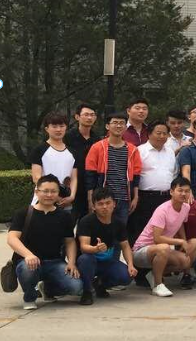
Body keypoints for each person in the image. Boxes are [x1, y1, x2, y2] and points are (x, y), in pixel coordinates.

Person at [7, 174, 83, 310]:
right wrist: (28, 255)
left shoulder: (64, 216)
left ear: (58, 193)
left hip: (55, 262)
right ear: (37, 192)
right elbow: (12, 238)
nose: (49, 195)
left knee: (76, 287)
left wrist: (71, 262)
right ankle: (29, 297)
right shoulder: (24, 213)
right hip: (28, 262)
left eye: (53, 191)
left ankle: (48, 289)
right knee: (28, 268)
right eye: (45, 191)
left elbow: (70, 242)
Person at [131, 176, 196, 298]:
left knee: (186, 260)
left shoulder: (186, 207)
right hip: (142, 251)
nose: (184, 194)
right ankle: (158, 285)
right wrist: (180, 241)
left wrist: (184, 241)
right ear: (171, 192)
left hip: (162, 249)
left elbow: (179, 224)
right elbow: (157, 238)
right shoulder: (162, 210)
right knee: (164, 248)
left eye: (187, 191)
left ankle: (153, 274)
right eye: (180, 190)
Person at [76, 187, 136, 304]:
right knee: (85, 259)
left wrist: (130, 265)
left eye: (108, 203)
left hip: (107, 262)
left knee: (127, 276)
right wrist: (95, 249)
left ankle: (100, 285)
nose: (105, 207)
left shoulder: (118, 223)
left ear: (114, 204)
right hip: (89, 260)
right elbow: (83, 246)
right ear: (94, 206)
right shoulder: (86, 221)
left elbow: (125, 246)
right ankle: (87, 291)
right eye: (100, 204)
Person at [85, 111, 142, 226]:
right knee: (101, 230)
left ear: (126, 127)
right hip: (103, 200)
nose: (118, 126)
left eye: (122, 123)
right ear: (107, 126)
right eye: (115, 123)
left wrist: (135, 197)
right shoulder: (97, 147)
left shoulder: (133, 150)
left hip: (124, 199)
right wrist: (90, 200)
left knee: (120, 231)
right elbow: (90, 175)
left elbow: (136, 175)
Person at [130, 121, 176, 245]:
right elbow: (134, 175)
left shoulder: (170, 151)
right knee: (143, 230)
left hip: (166, 197)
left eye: (165, 134)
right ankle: (139, 255)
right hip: (145, 197)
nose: (162, 136)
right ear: (149, 134)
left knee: (162, 231)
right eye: (158, 133)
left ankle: (159, 255)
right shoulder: (139, 150)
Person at [30, 111, 77, 210]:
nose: (58, 129)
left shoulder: (72, 152)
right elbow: (36, 177)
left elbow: (74, 177)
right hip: (42, 202)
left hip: (66, 203)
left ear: (66, 128)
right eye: (54, 126)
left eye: (61, 126)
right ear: (47, 129)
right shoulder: (39, 150)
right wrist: (55, 196)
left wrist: (72, 196)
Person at [66, 103, 100, 220]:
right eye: (86, 114)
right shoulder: (68, 137)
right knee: (69, 221)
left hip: (91, 185)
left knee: (88, 222)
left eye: (92, 115)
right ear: (77, 117)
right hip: (72, 185)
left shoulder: (97, 139)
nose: (89, 118)